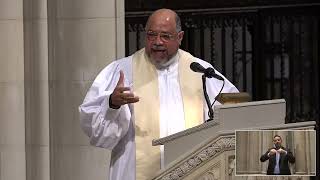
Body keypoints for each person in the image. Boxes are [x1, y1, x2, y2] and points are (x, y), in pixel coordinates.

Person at [79, 8, 238, 180]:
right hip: (134, 171)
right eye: (151, 35)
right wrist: (112, 103)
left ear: (180, 37)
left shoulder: (200, 71)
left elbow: (232, 111)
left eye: (165, 36)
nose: (157, 42)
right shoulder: (123, 70)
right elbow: (97, 129)